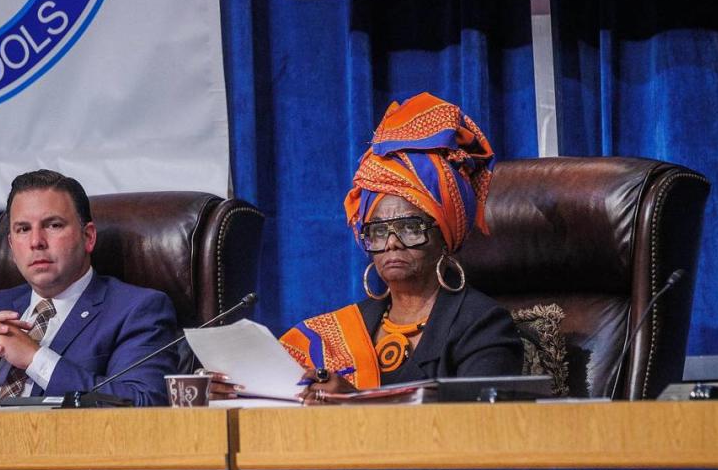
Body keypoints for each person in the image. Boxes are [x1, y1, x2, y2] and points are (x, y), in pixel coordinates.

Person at [210, 92, 522, 404]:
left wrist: (356, 402)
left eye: (410, 228)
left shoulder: (483, 324)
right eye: (377, 231)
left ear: (445, 235)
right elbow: (275, 401)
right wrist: (233, 387)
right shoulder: (337, 333)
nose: (391, 243)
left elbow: (479, 431)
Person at [0, 170, 178, 408]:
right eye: (23, 229)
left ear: (88, 237)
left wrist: (34, 357)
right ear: (11, 245)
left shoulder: (136, 309)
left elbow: (143, 403)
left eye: (53, 225)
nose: (36, 241)